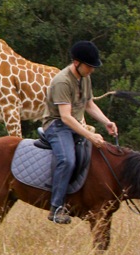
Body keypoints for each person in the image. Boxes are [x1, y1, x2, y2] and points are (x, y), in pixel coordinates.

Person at [40, 40, 119, 224]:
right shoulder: (61, 81)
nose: (92, 70)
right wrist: (89, 134)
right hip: (56, 125)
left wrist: (106, 122)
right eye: (89, 66)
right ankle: (56, 207)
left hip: (73, 125)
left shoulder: (85, 78)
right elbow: (65, 117)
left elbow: (89, 104)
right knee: (67, 160)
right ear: (77, 63)